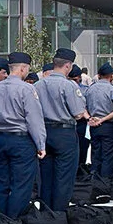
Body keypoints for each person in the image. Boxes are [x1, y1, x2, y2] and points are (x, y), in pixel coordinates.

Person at [0, 51, 46, 219]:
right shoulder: (27, 89)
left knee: (0, 183)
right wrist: (41, 144)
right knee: (21, 184)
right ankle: (13, 220)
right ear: (23, 68)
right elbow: (34, 119)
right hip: (20, 140)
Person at [33, 48, 87, 212]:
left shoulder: (37, 85)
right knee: (64, 176)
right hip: (64, 133)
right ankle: (60, 213)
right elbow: (78, 113)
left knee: (45, 175)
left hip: (43, 131)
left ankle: (46, 212)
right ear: (68, 66)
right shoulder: (69, 85)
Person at [84, 64, 113, 181]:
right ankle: (105, 181)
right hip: (109, 125)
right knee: (109, 155)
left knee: (96, 153)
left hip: (94, 125)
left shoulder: (90, 89)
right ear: (112, 76)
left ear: (99, 75)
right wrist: (103, 119)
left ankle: (94, 178)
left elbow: (83, 107)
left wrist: (90, 118)